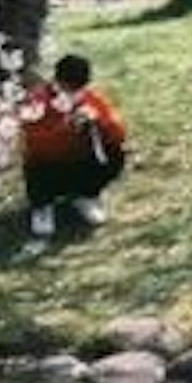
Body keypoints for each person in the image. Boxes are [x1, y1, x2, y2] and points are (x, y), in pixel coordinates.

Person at [18, 51, 130, 243]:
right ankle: (43, 206)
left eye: (78, 88)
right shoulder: (37, 100)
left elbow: (119, 132)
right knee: (39, 165)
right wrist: (65, 127)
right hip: (47, 165)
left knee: (115, 153)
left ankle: (85, 195)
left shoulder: (88, 98)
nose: (73, 93)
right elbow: (33, 140)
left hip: (78, 160)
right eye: (68, 87)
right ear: (57, 81)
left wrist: (98, 120)